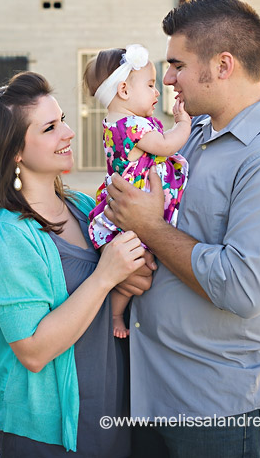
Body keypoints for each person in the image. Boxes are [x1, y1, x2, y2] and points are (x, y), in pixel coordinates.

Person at [102, 0, 260, 457]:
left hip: (219, 410)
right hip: (151, 389)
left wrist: (151, 230)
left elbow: (244, 288)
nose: (167, 78)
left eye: (177, 65)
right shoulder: (195, 134)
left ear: (223, 65)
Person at [0, 71, 149, 456]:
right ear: (14, 149)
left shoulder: (85, 208)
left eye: (63, 119)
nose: (67, 133)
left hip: (111, 410)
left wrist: (134, 272)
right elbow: (32, 350)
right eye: (49, 128)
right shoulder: (6, 235)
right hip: (52, 431)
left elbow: (126, 281)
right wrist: (105, 277)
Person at [83, 43, 190, 338]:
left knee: (132, 265)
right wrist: (183, 124)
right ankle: (117, 316)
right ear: (124, 91)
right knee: (135, 263)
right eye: (152, 85)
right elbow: (167, 145)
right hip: (137, 202)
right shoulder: (133, 126)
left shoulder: (112, 123)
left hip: (125, 199)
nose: (158, 92)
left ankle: (118, 313)